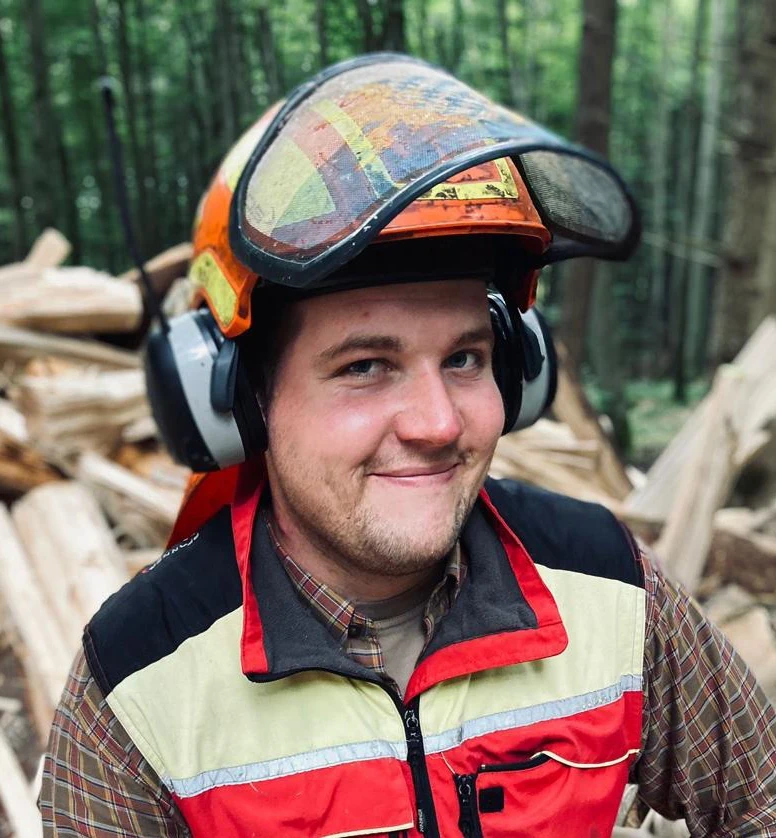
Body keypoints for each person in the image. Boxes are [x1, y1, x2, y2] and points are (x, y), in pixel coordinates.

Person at [40, 54, 776, 837]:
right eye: (365, 366)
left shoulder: (610, 587)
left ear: (517, 370)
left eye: (464, 359)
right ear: (238, 402)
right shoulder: (140, 679)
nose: (438, 424)